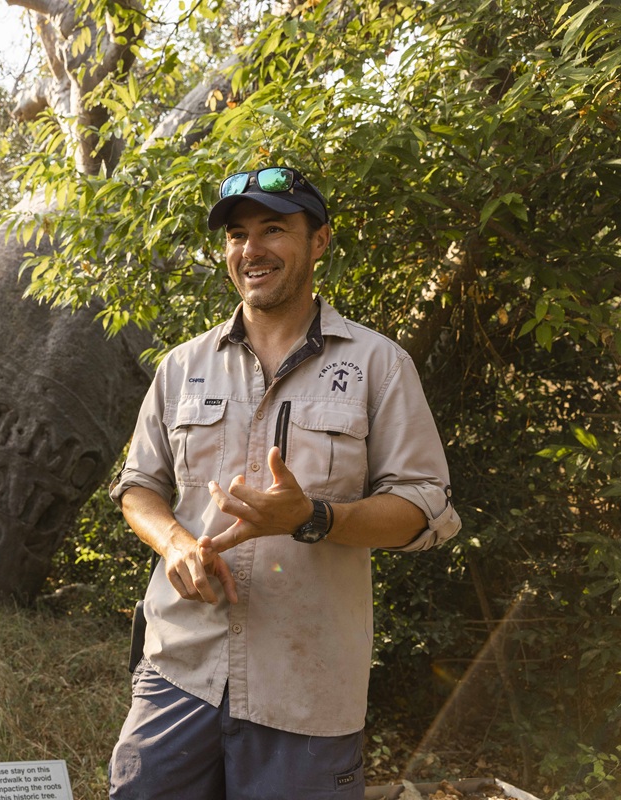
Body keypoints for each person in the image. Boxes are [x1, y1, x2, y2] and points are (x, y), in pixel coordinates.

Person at [107, 166, 461, 799]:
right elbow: (138, 487)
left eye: (275, 229)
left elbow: (423, 508)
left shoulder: (378, 364)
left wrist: (314, 518)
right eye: (238, 234)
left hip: (307, 687)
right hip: (178, 670)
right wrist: (174, 545)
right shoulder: (180, 367)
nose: (252, 249)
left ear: (318, 241)